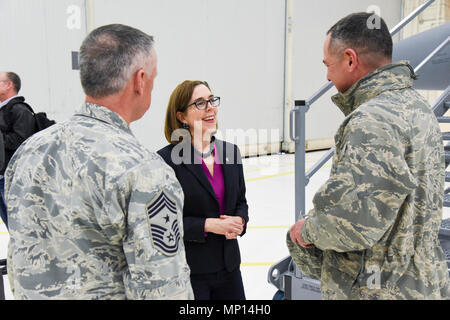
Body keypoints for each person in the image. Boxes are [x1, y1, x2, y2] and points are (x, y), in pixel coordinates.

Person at [5, 24, 193, 300]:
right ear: (140, 80)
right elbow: (163, 289)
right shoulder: (142, 170)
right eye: (154, 77)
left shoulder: (29, 152)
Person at [287, 12, 449, 299]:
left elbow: (359, 223)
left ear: (350, 59)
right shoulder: (419, 108)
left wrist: (305, 231)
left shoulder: (370, 120)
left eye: (328, 64)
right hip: (422, 284)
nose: (327, 75)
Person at [158, 80, 248, 300]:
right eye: (199, 103)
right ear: (181, 117)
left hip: (229, 268)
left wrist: (240, 222)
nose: (210, 107)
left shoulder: (230, 152)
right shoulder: (166, 160)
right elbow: (163, 223)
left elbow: (241, 202)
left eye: (211, 100)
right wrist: (209, 225)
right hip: (191, 272)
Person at [0, 72, 37, 228]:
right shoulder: (4, 110)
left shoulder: (20, 110)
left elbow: (22, 141)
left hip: (12, 178)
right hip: (2, 177)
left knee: (18, 223)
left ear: (9, 85)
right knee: (9, 221)